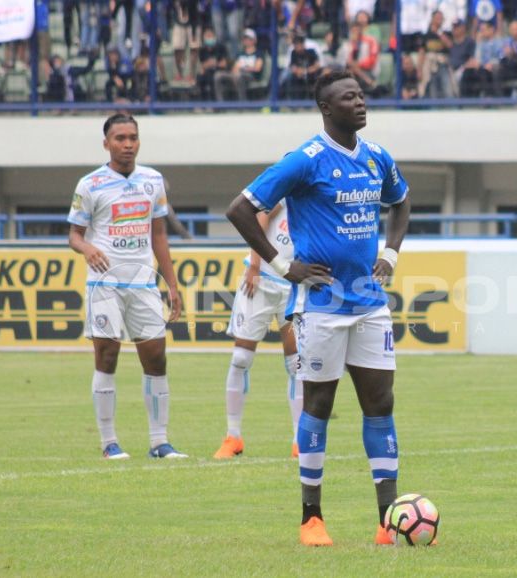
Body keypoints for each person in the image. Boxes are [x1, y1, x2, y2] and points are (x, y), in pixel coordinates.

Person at [226, 70, 411, 547]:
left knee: (381, 404)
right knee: (319, 405)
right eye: (349, 97)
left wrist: (390, 253)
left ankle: (387, 519)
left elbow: (402, 201)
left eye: (362, 94)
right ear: (327, 109)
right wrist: (281, 264)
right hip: (321, 305)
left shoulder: (377, 157)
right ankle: (312, 517)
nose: (361, 102)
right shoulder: (305, 160)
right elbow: (241, 208)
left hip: (369, 303)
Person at [67, 114, 188, 460]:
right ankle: (109, 443)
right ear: (106, 143)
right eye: (119, 138)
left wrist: (172, 284)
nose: (128, 144)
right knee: (107, 357)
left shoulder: (153, 181)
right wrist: (88, 248)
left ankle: (159, 442)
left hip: (143, 284)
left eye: (133, 137)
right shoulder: (89, 184)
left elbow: (159, 235)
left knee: (156, 358)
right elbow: (74, 235)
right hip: (104, 285)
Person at [213, 200, 303, 460]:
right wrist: (254, 264)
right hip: (262, 279)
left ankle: (299, 441)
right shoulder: (288, 183)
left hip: (294, 285)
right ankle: (233, 437)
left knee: (297, 364)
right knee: (241, 358)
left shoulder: (322, 192)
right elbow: (260, 217)